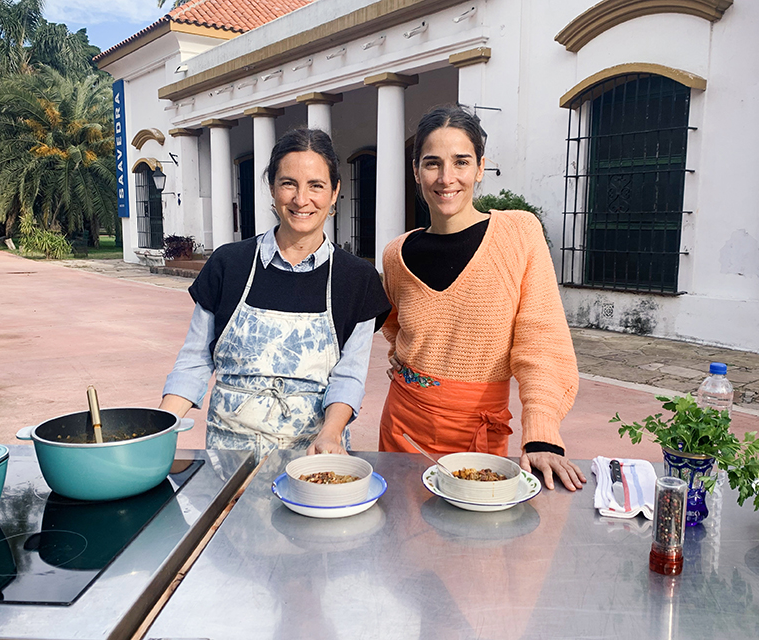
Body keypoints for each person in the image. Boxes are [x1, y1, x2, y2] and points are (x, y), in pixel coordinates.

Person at [379, 104, 585, 491]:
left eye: (460, 162)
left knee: (474, 546)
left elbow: (541, 338)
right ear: (415, 170)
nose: (446, 178)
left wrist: (541, 433)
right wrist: (411, 367)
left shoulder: (518, 234)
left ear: (480, 167)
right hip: (402, 427)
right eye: (432, 163)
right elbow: (395, 325)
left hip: (478, 432)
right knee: (398, 540)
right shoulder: (396, 254)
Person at [160, 128, 390, 458]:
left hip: (314, 462)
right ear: (271, 188)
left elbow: (348, 377)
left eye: (316, 186)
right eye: (288, 183)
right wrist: (162, 427)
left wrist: (331, 434)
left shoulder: (356, 279)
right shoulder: (229, 264)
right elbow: (195, 362)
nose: (301, 199)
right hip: (229, 460)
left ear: (335, 191)